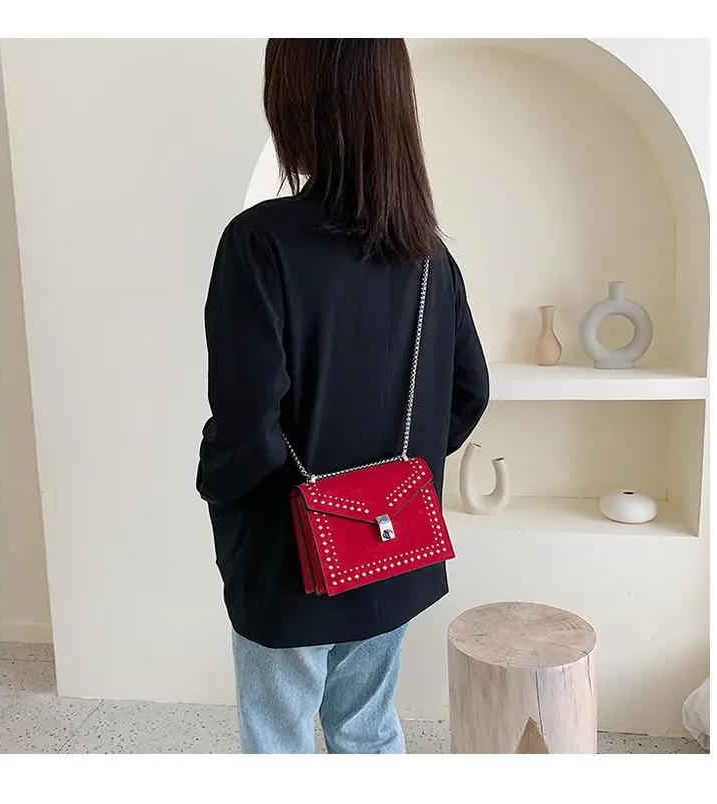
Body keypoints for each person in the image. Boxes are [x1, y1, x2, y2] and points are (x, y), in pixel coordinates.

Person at [197, 38, 489, 754]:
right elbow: (469, 392)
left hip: (287, 557)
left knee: (279, 741)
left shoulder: (259, 243)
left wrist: (218, 485)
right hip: (394, 544)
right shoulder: (430, 255)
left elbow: (247, 425)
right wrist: (390, 484)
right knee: (367, 730)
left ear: (293, 101)